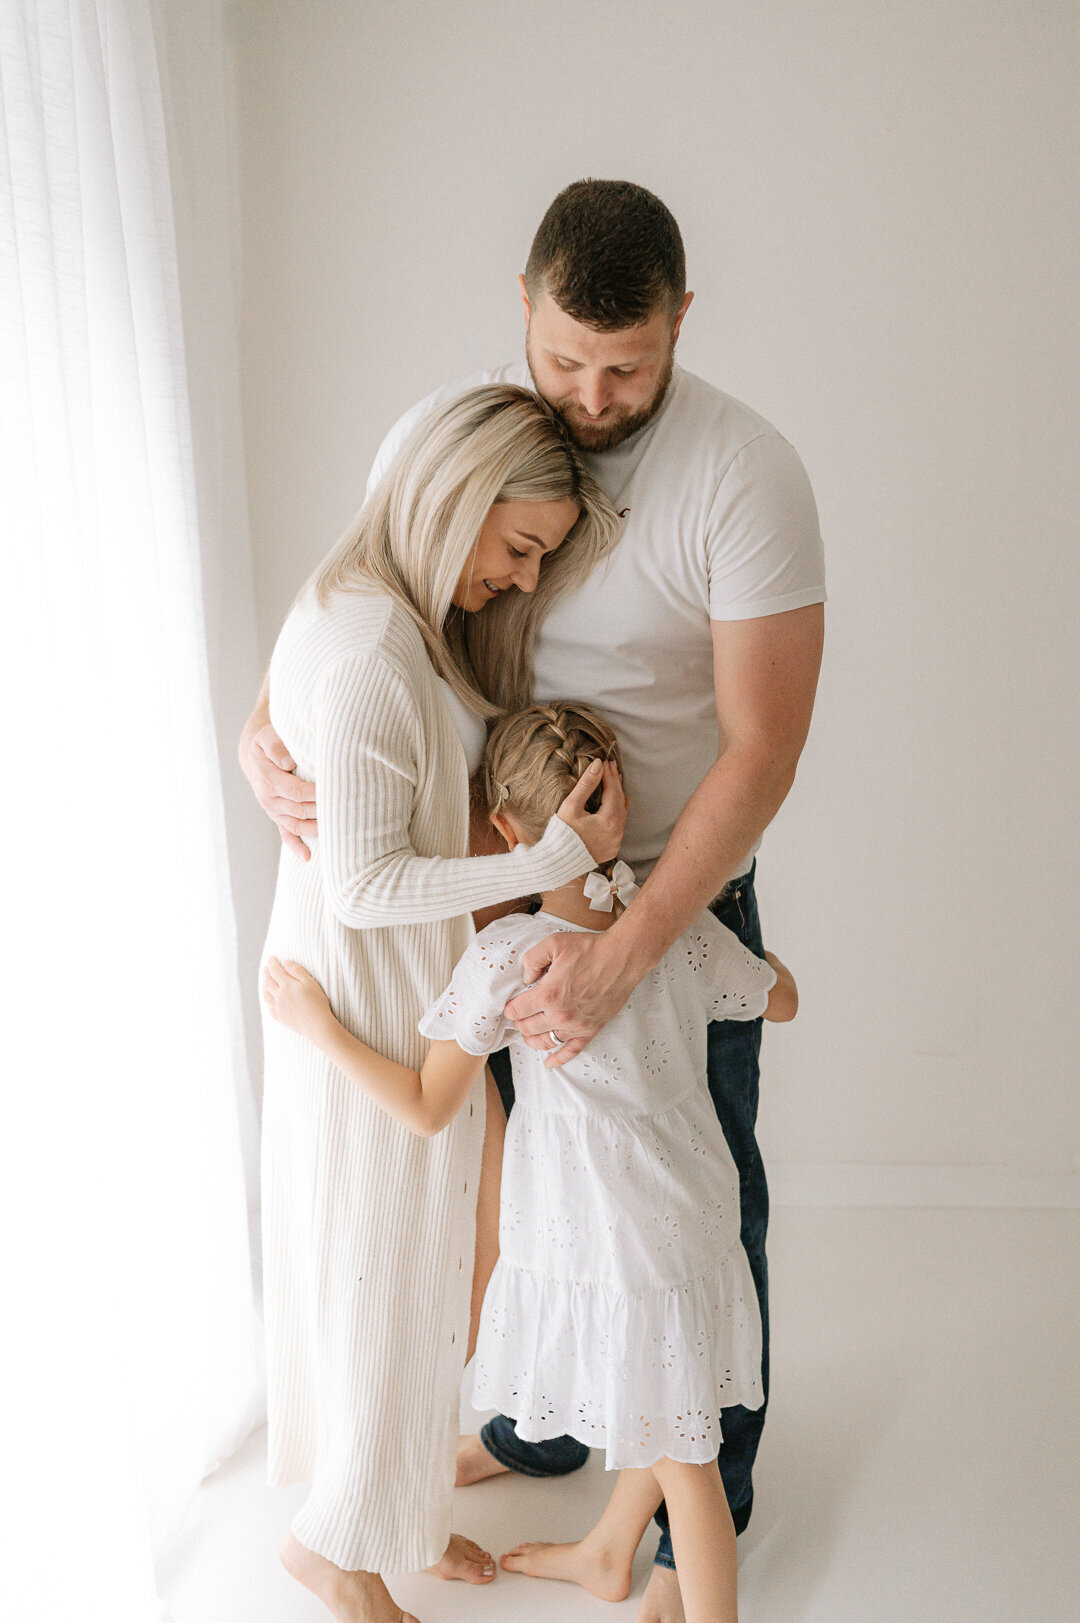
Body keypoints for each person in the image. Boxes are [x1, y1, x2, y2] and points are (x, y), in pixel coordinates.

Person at [241, 178, 825, 1623]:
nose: (595, 392)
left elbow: (764, 748)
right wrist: (259, 727)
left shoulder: (746, 475)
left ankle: (702, 1507)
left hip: (664, 891)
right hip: (490, 900)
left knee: (693, 1187)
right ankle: (538, 1424)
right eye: (567, 359)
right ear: (523, 307)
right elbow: (356, 594)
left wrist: (633, 940)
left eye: (627, 365)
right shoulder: (457, 445)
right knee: (520, 1195)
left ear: (683, 321)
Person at [261, 701, 798, 1623]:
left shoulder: (507, 956)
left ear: (505, 831)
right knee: (660, 1403)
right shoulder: (667, 929)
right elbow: (779, 999)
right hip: (696, 1218)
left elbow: (429, 1104)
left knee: (689, 1464)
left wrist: (321, 1030)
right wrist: (704, 948)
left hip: (617, 1246)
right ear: (617, 805)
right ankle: (604, 1552)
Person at [257, 384, 626, 1623]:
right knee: (382, 1278)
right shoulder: (367, 651)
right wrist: (542, 868)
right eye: (518, 547)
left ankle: (385, 1514)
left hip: (376, 989)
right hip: (367, 993)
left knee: (395, 1271)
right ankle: (338, 1554)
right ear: (459, 498)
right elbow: (364, 886)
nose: (519, 581)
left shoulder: (369, 615)